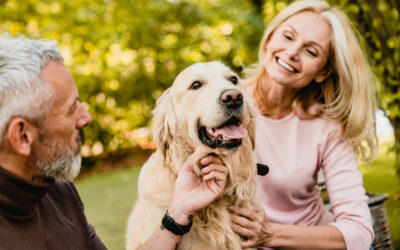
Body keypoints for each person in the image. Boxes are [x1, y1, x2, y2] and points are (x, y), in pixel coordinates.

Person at [0, 35, 228, 249]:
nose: (86, 117)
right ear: (22, 136)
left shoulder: (59, 193)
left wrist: (178, 211)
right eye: (71, 109)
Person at [228, 1, 377, 250]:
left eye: (311, 51)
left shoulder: (327, 127)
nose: (292, 52)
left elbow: (360, 231)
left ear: (323, 71)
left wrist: (270, 235)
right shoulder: (223, 103)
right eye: (288, 36)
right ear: (269, 38)